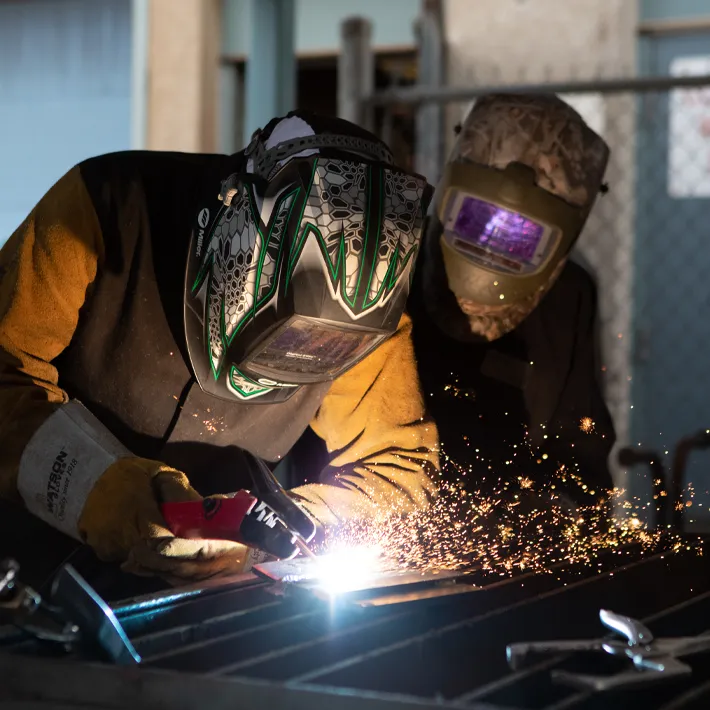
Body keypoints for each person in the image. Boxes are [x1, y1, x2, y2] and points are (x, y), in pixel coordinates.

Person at [0, 111, 439, 590]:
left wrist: (269, 530)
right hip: (19, 562)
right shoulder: (105, 205)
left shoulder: (370, 315)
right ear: (238, 232)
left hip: (193, 598)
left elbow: (395, 468)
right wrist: (91, 484)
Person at [408, 93, 615, 504]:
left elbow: (579, 450)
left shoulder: (567, 297)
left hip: (507, 529)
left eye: (521, 235)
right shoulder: (389, 257)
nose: (492, 242)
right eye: (477, 219)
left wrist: (559, 511)